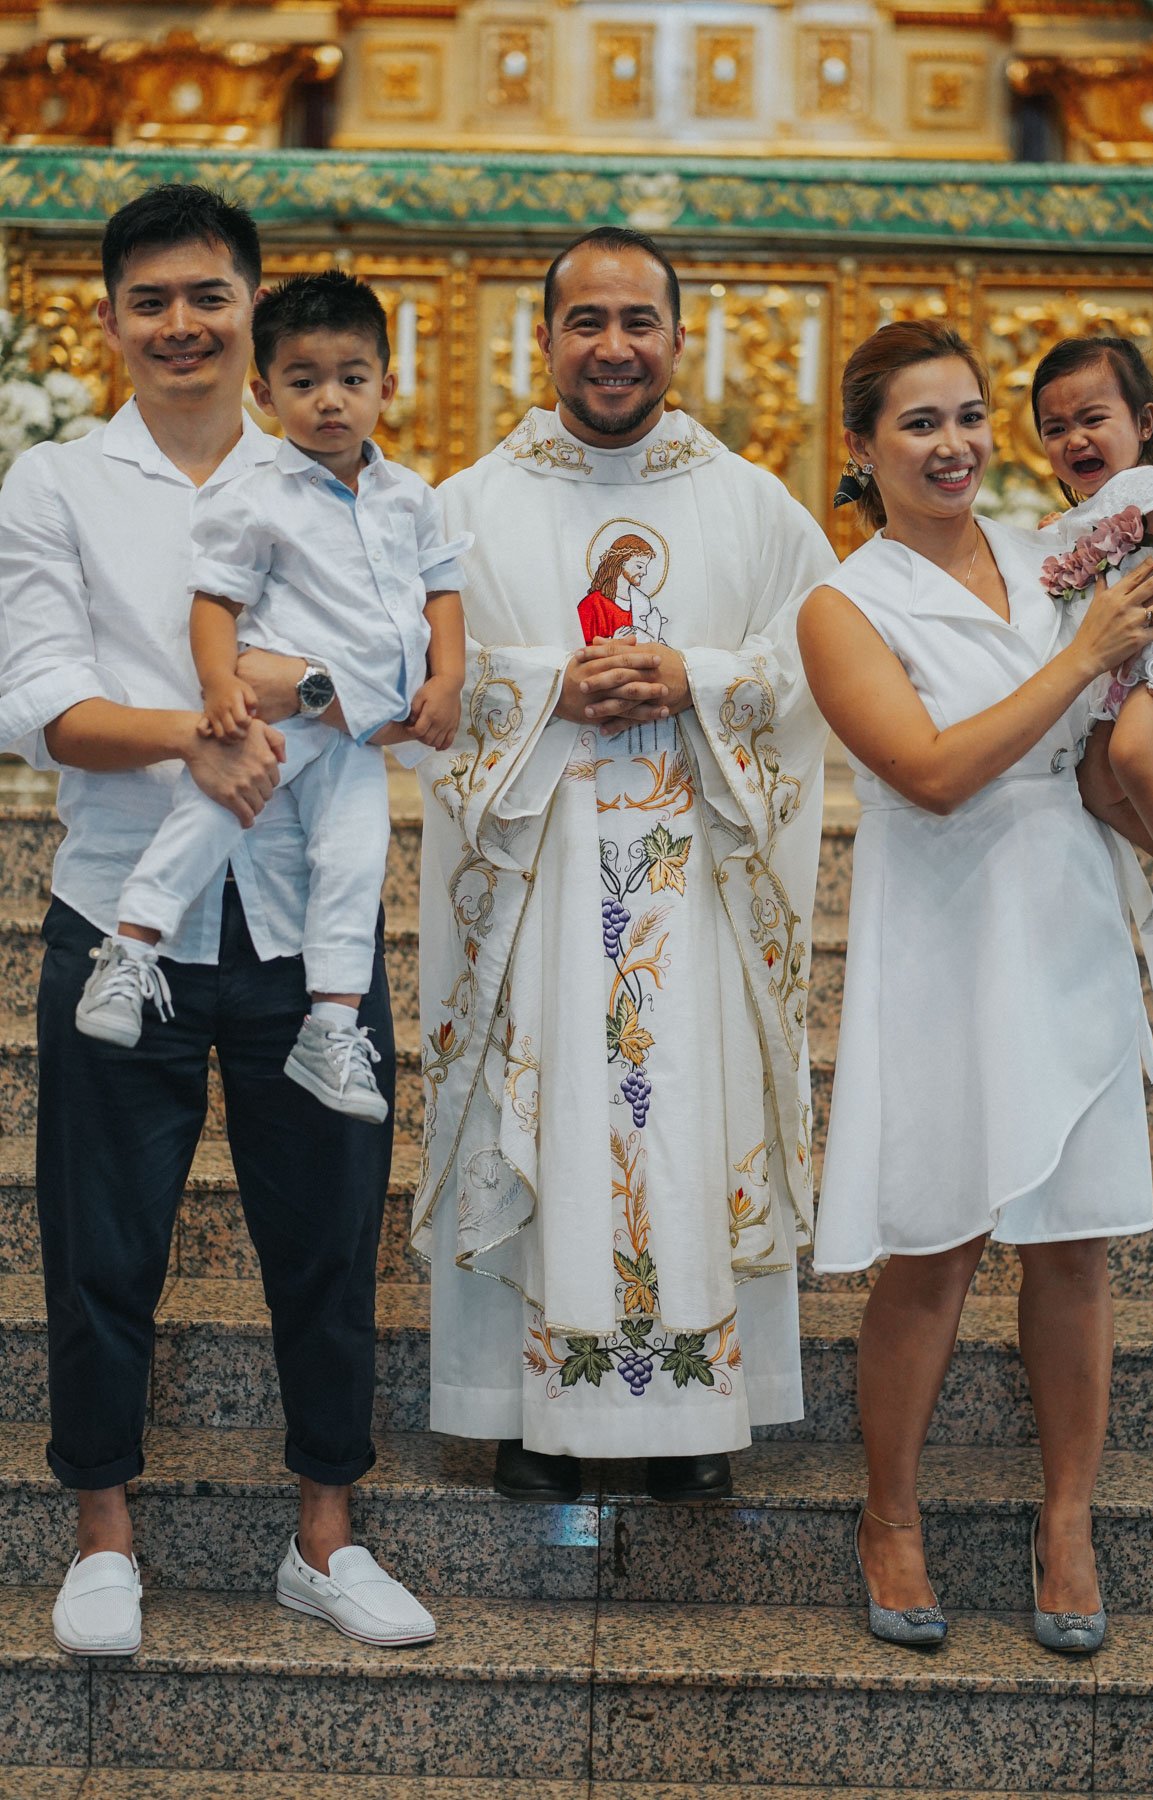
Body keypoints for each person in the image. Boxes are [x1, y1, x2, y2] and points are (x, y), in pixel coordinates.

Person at [0, 186, 435, 1655]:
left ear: (255, 310)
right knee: (101, 1242)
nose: (180, 323)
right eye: (151, 301)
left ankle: (326, 1537)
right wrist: (199, 735)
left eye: (208, 296)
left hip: (305, 925)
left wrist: (324, 691)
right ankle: (102, 1537)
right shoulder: (57, 483)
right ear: (108, 320)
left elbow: (391, 670)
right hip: (122, 907)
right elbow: (36, 699)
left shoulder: (342, 468)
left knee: (329, 1237)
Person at [413, 226, 836, 1504]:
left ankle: (695, 1412)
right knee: (544, 1112)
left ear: (678, 338)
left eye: (638, 321)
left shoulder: (751, 503)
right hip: (539, 886)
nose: (613, 347)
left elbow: (822, 662)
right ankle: (530, 1413)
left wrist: (695, 676)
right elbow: (421, 681)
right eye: (586, 322)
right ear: (542, 338)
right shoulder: (468, 507)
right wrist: (551, 687)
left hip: (696, 886)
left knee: (688, 1112)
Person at [801, 321, 1153, 1651]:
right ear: (864, 447)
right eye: (920, 423)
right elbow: (928, 771)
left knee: (1073, 1242)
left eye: (970, 416)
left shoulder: (1056, 553)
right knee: (935, 1239)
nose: (954, 445)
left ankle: (1068, 1519)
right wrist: (1081, 659)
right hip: (945, 926)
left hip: (1066, 912)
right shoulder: (847, 604)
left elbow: (1120, 726)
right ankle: (889, 1514)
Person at [73, 269, 467, 1127]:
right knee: (213, 813)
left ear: (386, 387)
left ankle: (332, 1028)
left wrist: (448, 678)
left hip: (359, 736)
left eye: (351, 379)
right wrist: (220, 685)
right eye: (303, 381)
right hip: (287, 714)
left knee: (355, 862)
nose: (330, 401)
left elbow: (442, 588)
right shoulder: (254, 497)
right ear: (266, 393)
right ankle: (131, 949)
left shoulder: (411, 496)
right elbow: (214, 601)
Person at [1032, 335, 1153, 952]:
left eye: (1092, 419)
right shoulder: (1096, 508)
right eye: (1055, 428)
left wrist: (1140, 615)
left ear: (1144, 422)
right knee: (1097, 786)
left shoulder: (1148, 486)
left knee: (1133, 755)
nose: (1074, 439)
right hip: (1125, 668)